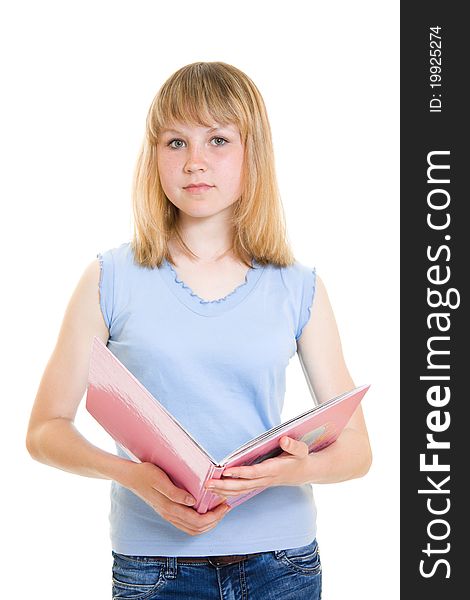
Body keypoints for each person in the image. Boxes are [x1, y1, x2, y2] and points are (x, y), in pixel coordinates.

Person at [26, 61, 372, 600]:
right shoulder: (110, 277)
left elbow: (358, 452)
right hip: (155, 567)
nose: (195, 163)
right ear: (153, 156)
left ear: (252, 153)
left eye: (218, 140)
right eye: (175, 143)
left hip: (281, 564)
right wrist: (130, 475)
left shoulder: (298, 286)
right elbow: (45, 430)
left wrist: (279, 473)